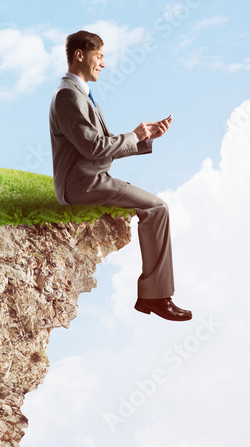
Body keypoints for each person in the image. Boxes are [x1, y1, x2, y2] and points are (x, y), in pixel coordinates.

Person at [48, 29, 191, 322]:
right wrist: (133, 135)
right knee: (157, 208)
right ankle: (156, 297)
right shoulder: (67, 96)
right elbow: (94, 148)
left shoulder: (81, 94)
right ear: (80, 55)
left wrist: (144, 138)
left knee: (156, 207)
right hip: (82, 185)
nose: (103, 63)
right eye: (99, 56)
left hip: (91, 179)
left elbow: (101, 146)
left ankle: (153, 295)